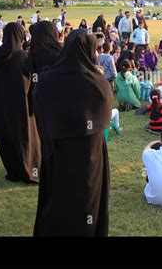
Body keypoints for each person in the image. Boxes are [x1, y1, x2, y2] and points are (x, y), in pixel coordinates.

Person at [33, 29, 113, 236]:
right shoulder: (98, 82)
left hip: (58, 151)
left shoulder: (47, 79)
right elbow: (104, 116)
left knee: (60, 196)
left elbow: (40, 108)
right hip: (90, 155)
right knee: (87, 200)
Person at [0, 22, 41, 184]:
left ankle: (14, 170)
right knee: (25, 137)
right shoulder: (22, 56)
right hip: (21, 105)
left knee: (7, 137)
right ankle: (29, 171)